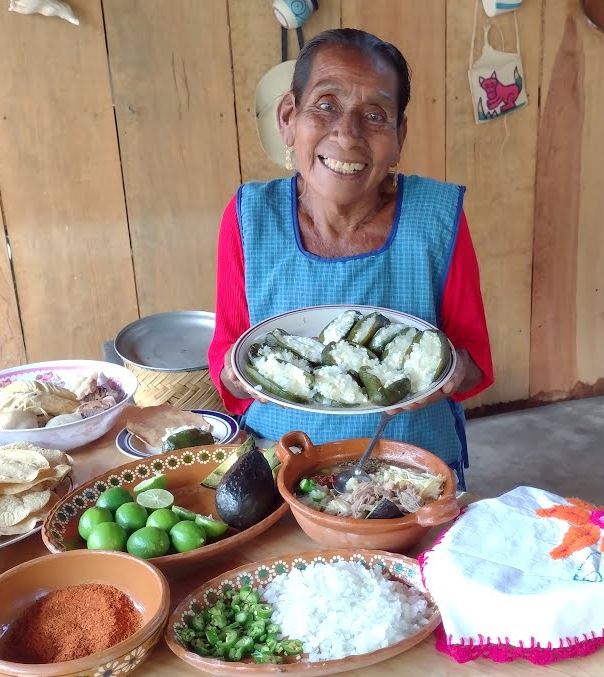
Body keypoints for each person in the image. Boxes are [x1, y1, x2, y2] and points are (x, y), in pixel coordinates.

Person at [207, 28, 493, 489]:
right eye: (325, 105)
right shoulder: (249, 218)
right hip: (282, 470)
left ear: (398, 137)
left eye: (375, 115)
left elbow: (474, 363)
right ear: (288, 118)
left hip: (410, 474)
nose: (347, 133)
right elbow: (228, 354)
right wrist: (239, 373)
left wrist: (452, 370)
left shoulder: (437, 218)